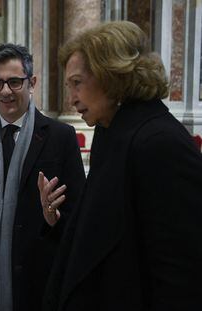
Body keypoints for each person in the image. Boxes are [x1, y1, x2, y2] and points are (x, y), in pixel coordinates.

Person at [39, 21, 202, 311]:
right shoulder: (111, 132)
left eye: (77, 83)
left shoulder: (159, 142)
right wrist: (58, 220)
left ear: (111, 76)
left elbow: (180, 274)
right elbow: (106, 233)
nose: (71, 98)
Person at [0, 43, 86, 311]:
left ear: (31, 83)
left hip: (36, 277)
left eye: (14, 82)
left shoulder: (60, 137)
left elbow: (78, 213)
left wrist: (54, 219)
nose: (5, 91)